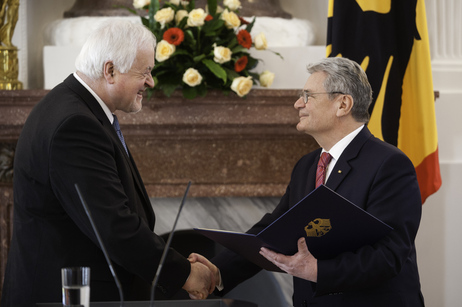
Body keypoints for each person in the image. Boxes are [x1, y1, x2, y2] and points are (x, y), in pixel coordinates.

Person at [1, 20, 215, 306]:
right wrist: (185, 273)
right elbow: (115, 227)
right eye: (146, 72)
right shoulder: (75, 124)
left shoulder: (77, 109)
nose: (151, 82)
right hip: (64, 297)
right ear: (110, 70)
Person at [191, 57, 425, 306]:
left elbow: (389, 256)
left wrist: (318, 271)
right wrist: (218, 273)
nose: (297, 104)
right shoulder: (307, 166)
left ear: (342, 104)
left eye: (308, 96)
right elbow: (271, 233)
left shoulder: (389, 164)